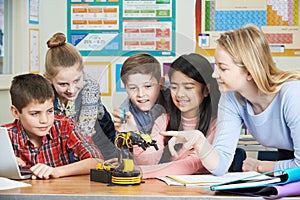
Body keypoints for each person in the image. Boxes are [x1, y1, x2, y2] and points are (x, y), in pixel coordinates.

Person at [161, 24, 300, 176]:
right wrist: (199, 141)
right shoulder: (231, 97)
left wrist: (261, 166)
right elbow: (220, 165)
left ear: (249, 71)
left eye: (223, 68)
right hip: (288, 159)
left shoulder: (292, 95)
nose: (215, 75)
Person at [2, 73, 103, 179]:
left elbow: (97, 162)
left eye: (50, 111)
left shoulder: (65, 126)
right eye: (35, 114)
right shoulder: (5, 135)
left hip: (60, 194)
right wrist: (5, 164)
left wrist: (57, 171)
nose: (44, 120)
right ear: (16, 112)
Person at [137, 53, 220, 178]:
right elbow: (150, 159)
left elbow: (192, 164)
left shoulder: (216, 125)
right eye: (174, 87)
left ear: (206, 90)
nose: (180, 94)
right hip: (171, 190)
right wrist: (133, 135)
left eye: (188, 87)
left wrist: (140, 172)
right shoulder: (164, 121)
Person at [44, 32, 117, 160]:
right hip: (66, 146)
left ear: (82, 72)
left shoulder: (89, 87)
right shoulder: (43, 92)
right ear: (48, 79)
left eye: (77, 81)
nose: (71, 90)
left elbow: (84, 133)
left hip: (100, 141)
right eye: (63, 84)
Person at [112, 53, 170, 164]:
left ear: (161, 83)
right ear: (125, 87)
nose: (140, 94)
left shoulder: (175, 96)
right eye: (133, 88)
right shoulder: (125, 115)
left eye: (148, 86)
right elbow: (127, 160)